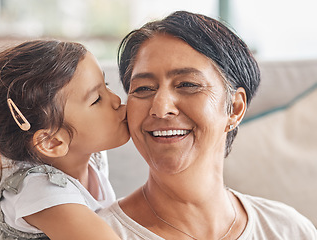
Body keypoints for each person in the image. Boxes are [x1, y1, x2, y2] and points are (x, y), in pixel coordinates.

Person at [98, 11, 317, 239]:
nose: (161, 108)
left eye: (187, 84)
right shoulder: (92, 232)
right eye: (143, 88)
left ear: (235, 108)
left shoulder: (287, 229)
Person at [0, 40, 129, 239]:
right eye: (96, 99)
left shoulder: (93, 156)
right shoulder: (44, 192)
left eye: (106, 85)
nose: (116, 99)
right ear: (51, 142)